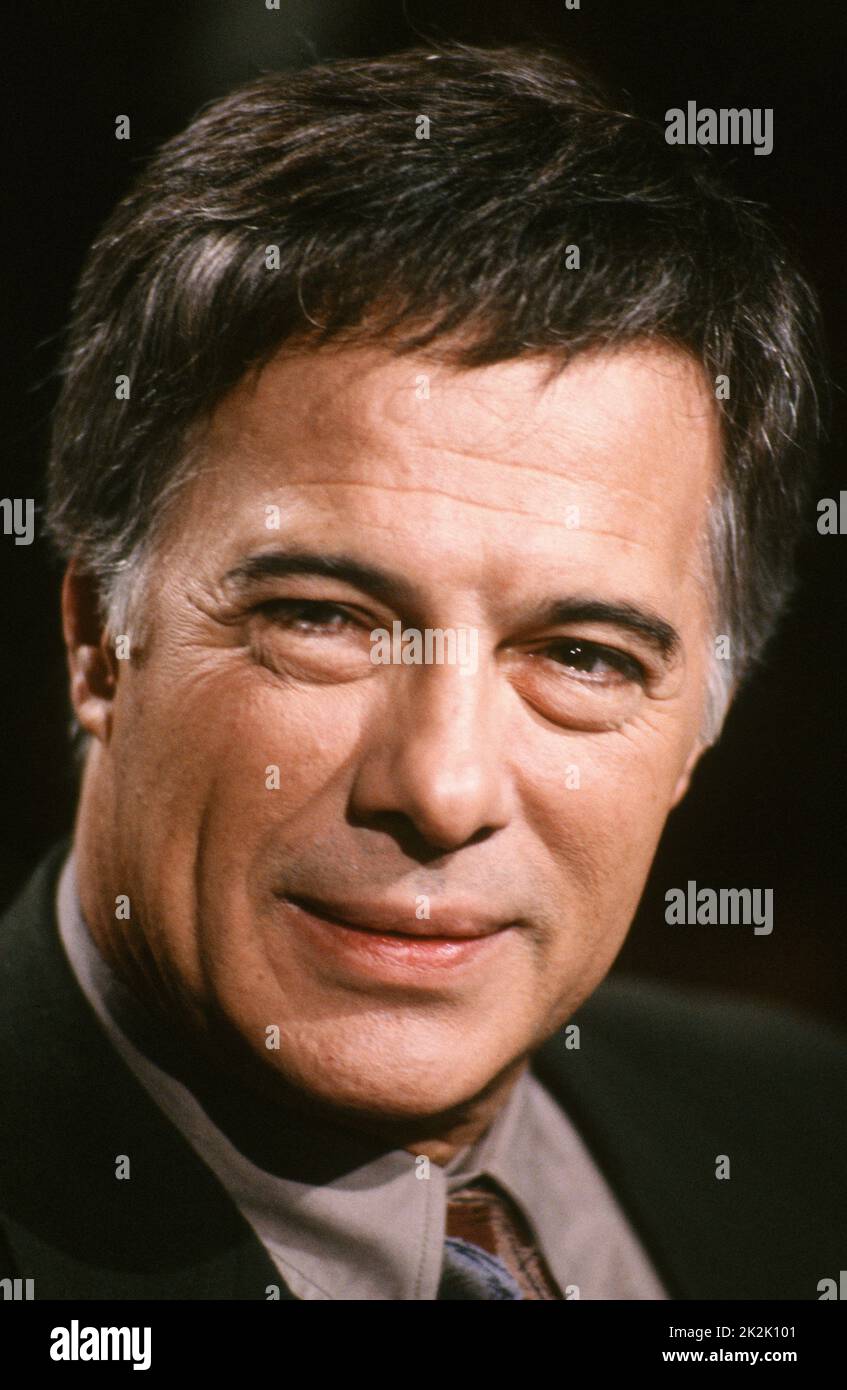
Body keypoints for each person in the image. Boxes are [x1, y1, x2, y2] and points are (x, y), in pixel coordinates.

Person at [1, 42, 843, 1302]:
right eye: (327, 619)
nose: (441, 790)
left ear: (700, 729)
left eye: (579, 657)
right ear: (97, 641)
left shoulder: (800, 1123)